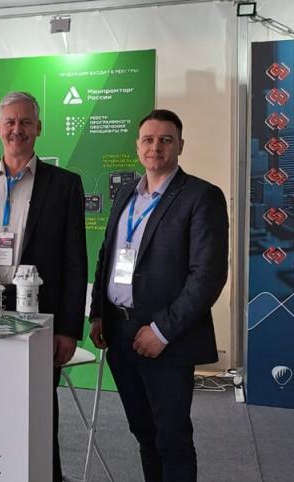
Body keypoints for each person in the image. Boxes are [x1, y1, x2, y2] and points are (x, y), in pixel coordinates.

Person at [0, 91, 88, 481]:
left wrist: (68, 329)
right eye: (10, 122)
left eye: (25, 122)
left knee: (39, 408)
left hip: (38, 314)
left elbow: (75, 262)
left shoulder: (65, 185)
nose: (17, 129)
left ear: (38, 128)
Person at [89, 109, 228, 482]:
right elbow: (107, 255)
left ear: (180, 145)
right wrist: (98, 313)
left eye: (166, 140)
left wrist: (162, 331)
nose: (156, 147)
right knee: (144, 433)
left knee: (172, 439)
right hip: (119, 333)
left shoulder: (201, 196)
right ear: (137, 147)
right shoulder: (126, 194)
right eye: (148, 140)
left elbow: (208, 276)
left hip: (167, 339)